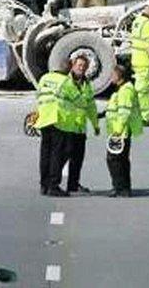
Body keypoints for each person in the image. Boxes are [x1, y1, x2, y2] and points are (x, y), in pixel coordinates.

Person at [62, 54, 99, 195]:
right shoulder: (65, 82)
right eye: (79, 65)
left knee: (77, 159)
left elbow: (91, 107)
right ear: (73, 65)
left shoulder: (86, 84)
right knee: (62, 157)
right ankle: (52, 183)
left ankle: (73, 185)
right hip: (66, 126)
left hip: (80, 128)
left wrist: (95, 125)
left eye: (84, 66)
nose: (81, 68)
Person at [33, 67, 73, 197]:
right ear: (67, 68)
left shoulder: (45, 77)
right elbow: (75, 99)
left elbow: (38, 95)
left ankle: (43, 185)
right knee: (57, 153)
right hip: (58, 119)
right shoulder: (66, 81)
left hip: (44, 118)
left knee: (45, 153)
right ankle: (53, 185)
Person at [104, 65, 143, 198]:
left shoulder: (126, 91)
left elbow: (124, 113)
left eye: (112, 75)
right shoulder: (122, 89)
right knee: (121, 160)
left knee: (115, 160)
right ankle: (123, 187)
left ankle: (120, 188)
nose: (110, 78)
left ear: (119, 76)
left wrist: (117, 131)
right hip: (119, 131)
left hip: (120, 132)